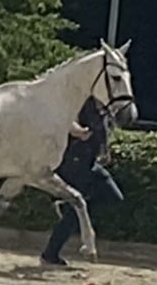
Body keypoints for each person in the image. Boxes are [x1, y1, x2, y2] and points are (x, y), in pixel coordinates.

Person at [39, 97, 124, 266]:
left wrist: (104, 151)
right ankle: (50, 254)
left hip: (91, 163)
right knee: (72, 213)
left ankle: (65, 207)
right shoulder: (82, 105)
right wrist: (80, 132)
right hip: (75, 161)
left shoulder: (105, 109)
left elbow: (104, 130)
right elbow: (67, 121)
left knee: (113, 196)